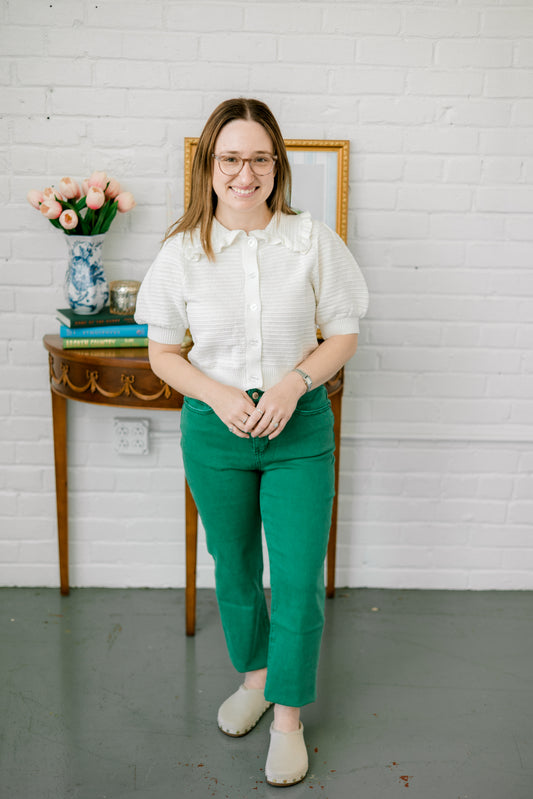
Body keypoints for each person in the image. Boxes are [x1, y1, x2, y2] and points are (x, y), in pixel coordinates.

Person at [135, 97, 369, 787]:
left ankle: (289, 719)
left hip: (299, 433)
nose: (245, 173)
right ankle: (256, 678)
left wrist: (294, 384)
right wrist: (219, 393)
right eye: (231, 158)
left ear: (277, 166)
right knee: (234, 567)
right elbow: (163, 353)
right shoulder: (180, 253)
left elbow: (344, 334)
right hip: (215, 432)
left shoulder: (312, 241)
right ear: (208, 166)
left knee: (296, 580)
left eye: (259, 158)